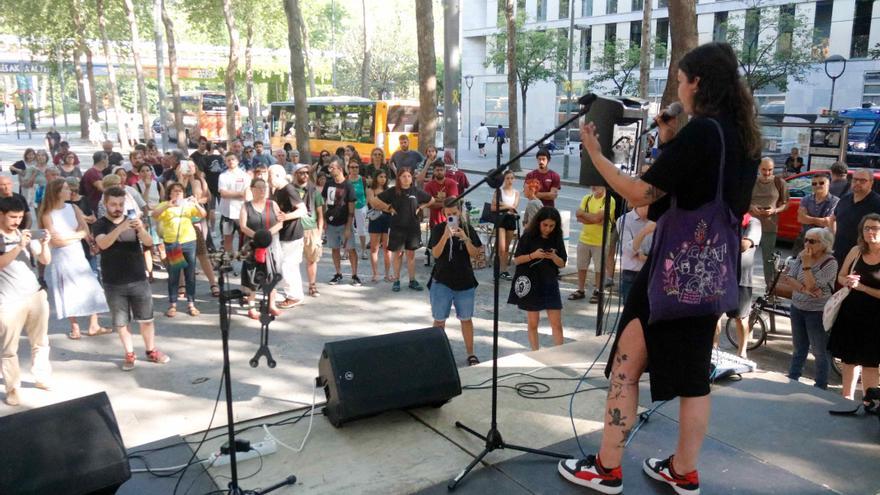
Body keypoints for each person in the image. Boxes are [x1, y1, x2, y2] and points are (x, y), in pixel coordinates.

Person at [559, 42, 761, 495]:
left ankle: (607, 468)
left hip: (668, 275)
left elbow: (641, 196)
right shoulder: (742, 138)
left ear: (698, 83)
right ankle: (683, 470)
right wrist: (670, 141)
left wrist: (595, 154)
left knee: (626, 367)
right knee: (694, 379)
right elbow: (683, 195)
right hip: (708, 276)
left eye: (681, 80)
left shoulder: (704, 132)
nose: (679, 90)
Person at [94, 187, 170, 371]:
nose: (117, 208)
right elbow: (102, 243)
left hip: (138, 278)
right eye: (113, 204)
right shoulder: (100, 224)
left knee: (146, 319)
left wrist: (141, 229)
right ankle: (129, 353)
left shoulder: (134, 221)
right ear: (106, 204)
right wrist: (121, 226)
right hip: (113, 282)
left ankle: (151, 350)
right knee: (121, 322)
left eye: (121, 204)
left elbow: (149, 243)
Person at [38, 179, 111, 339]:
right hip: (61, 256)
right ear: (56, 192)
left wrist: (88, 240)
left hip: (77, 253)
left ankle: (94, 324)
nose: (69, 190)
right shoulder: (47, 214)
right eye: (64, 188)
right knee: (68, 290)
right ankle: (75, 327)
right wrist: (77, 234)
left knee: (92, 287)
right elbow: (55, 241)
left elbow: (84, 228)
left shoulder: (73, 207)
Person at [0, 196, 53, 406]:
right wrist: (17, 247)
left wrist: (44, 244)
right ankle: (12, 388)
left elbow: (44, 260)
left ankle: (42, 376)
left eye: (20, 217)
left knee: (41, 341)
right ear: (1, 215)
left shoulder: (24, 233)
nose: (17, 221)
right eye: (13, 217)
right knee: (9, 349)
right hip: (9, 301)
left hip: (35, 294)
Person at [829, 213, 880, 400]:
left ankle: (870, 402)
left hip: (875, 318)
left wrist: (862, 287)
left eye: (875, 228)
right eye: (866, 228)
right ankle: (846, 400)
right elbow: (840, 276)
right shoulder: (856, 251)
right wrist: (848, 281)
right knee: (849, 360)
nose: (870, 232)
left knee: (870, 363)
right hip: (851, 312)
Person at [779, 227, 837, 389]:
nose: (807, 243)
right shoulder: (803, 255)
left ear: (824, 244)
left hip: (817, 311)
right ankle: (793, 378)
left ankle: (820, 385)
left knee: (819, 351)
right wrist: (804, 289)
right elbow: (789, 277)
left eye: (812, 241)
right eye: (805, 239)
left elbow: (813, 284)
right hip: (797, 306)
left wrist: (806, 266)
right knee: (799, 347)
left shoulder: (830, 262)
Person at [428, 199, 483, 366]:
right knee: (439, 319)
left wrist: (465, 238)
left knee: (466, 318)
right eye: (448, 214)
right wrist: (445, 236)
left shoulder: (468, 229)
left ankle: (470, 353)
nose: (451, 216)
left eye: (454, 213)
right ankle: (437, 353)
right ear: (444, 214)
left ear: (460, 212)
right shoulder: (438, 229)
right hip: (442, 281)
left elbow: (476, 254)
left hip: (465, 281)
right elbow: (436, 254)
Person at [507, 206, 566, 350]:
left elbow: (562, 263)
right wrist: (533, 255)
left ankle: (559, 354)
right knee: (533, 323)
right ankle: (535, 352)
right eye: (545, 225)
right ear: (538, 222)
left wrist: (554, 257)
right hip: (532, 282)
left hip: (550, 282)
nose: (548, 229)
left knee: (556, 324)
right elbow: (517, 260)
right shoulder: (528, 236)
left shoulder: (556, 237)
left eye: (552, 226)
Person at [374, 167, 433, 292]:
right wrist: (388, 208)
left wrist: (420, 208)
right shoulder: (393, 191)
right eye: (403, 176)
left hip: (413, 228)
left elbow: (431, 200)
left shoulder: (416, 191)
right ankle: (397, 280)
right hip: (397, 228)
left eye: (409, 176)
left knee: (411, 254)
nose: (406, 179)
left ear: (412, 178)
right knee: (398, 254)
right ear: (399, 179)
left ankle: (412, 280)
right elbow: (375, 201)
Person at [152, 182, 205, 317]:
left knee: (190, 274)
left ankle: (191, 303)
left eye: (180, 191)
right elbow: (155, 214)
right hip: (173, 243)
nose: (178, 193)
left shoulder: (188, 206)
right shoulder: (166, 206)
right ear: (170, 193)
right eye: (175, 191)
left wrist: (196, 203)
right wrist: (167, 204)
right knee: (174, 274)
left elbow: (203, 214)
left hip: (189, 241)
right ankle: (173, 304)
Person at [240, 177, 284, 319]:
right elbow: (243, 226)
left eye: (264, 187)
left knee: (272, 273)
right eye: (258, 187)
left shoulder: (273, 204)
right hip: (252, 245)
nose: (262, 190)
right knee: (251, 275)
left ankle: (271, 304)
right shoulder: (246, 206)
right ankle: (251, 307)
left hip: (271, 245)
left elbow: (280, 223)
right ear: (252, 190)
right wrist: (258, 237)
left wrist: (266, 235)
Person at [724, 213, 762, 358]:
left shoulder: (754, 222)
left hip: (742, 279)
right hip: (721, 277)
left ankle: (742, 352)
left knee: (741, 318)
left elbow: (744, 245)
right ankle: (713, 350)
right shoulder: (726, 218)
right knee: (714, 316)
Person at [270, 164, 307, 308]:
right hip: (283, 234)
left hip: (292, 234)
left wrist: (286, 217)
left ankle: (295, 296)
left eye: (270, 176)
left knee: (288, 266)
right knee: (287, 266)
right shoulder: (278, 190)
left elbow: (302, 210)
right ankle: (292, 293)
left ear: (279, 175)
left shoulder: (289, 189)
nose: (269, 179)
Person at [571, 186, 616, 304]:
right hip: (584, 238)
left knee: (599, 269)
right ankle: (580, 290)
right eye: (593, 185)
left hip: (601, 240)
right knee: (581, 266)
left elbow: (596, 218)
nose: (595, 187)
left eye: (598, 184)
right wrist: (594, 219)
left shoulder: (609, 200)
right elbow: (579, 218)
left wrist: (585, 215)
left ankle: (598, 291)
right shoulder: (587, 198)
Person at [749, 157, 788, 286]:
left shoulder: (779, 182)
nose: (767, 173)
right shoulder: (751, 181)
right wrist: (751, 207)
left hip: (769, 225)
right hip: (750, 224)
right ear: (759, 168)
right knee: (745, 258)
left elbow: (786, 204)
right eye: (764, 170)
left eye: (770, 170)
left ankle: (770, 290)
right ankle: (740, 289)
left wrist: (775, 210)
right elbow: (742, 199)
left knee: (768, 260)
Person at [322, 157, 361, 286]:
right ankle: (338, 273)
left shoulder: (348, 185)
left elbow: (351, 208)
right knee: (334, 248)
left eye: (332, 167)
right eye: (329, 167)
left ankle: (355, 275)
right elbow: (323, 202)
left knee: (351, 249)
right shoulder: (328, 183)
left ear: (339, 168)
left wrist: (348, 227)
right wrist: (323, 219)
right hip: (331, 222)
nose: (330, 170)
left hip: (344, 222)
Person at [831, 169, 880, 267]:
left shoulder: (877, 203)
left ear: (871, 183)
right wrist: (833, 238)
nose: (857, 183)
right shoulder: (845, 199)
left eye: (862, 180)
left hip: (863, 257)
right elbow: (833, 218)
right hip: (839, 253)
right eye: (855, 179)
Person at [290, 163, 324, 297]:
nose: (305, 175)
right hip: (294, 228)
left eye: (307, 173)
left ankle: (312, 285)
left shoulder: (314, 191)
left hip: (311, 229)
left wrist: (319, 234)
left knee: (312, 259)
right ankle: (295, 288)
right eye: (301, 172)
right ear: (295, 174)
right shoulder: (289, 190)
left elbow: (320, 215)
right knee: (293, 261)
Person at [423, 162, 460, 267]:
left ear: (445, 170)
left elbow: (453, 201)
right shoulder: (429, 185)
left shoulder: (451, 183)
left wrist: (436, 202)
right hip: (435, 221)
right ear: (434, 171)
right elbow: (428, 204)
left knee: (452, 242)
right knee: (438, 243)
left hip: (451, 219)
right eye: (437, 170)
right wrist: (444, 202)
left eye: (441, 169)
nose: (439, 172)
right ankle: (439, 263)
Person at [135, 163, 166, 281]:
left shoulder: (158, 184)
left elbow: (163, 201)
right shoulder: (136, 186)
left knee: (162, 246)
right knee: (148, 247)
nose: (145, 173)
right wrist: (147, 187)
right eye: (142, 171)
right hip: (146, 217)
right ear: (139, 173)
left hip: (157, 217)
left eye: (148, 170)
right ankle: (150, 273)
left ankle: (169, 269)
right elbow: (141, 202)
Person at [615, 205, 652, 304]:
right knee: (631, 313)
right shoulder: (624, 220)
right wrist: (644, 231)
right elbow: (628, 251)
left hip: (653, 273)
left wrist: (643, 256)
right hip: (632, 274)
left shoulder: (658, 220)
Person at [795, 172, 838, 253]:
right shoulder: (805, 199)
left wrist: (807, 218)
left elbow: (829, 222)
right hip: (805, 239)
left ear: (829, 184)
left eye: (821, 183)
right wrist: (821, 220)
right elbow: (800, 219)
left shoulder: (835, 201)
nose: (817, 185)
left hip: (823, 242)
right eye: (814, 183)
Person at [218, 152, 250, 253]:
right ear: (225, 162)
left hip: (241, 213)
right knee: (227, 239)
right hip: (227, 214)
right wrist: (240, 194)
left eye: (233, 159)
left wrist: (231, 193)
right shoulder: (223, 176)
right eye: (228, 160)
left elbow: (247, 194)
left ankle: (245, 264)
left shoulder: (245, 176)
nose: (231, 161)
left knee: (245, 239)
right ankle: (228, 263)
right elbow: (223, 193)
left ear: (237, 161)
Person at [492, 171, 520, 280]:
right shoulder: (499, 191)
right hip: (501, 219)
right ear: (504, 179)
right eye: (507, 178)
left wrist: (503, 205)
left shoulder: (516, 193)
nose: (509, 181)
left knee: (507, 247)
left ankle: (504, 270)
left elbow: (514, 207)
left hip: (510, 219)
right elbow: (493, 207)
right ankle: (498, 269)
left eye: (511, 178)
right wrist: (508, 206)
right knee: (501, 247)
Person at [367, 170, 393, 283]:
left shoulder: (389, 190)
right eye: (380, 176)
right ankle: (375, 273)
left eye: (384, 176)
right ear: (375, 177)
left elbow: (392, 206)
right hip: (375, 219)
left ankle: (387, 274)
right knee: (374, 248)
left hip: (388, 220)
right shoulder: (370, 190)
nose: (383, 179)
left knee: (387, 248)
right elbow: (372, 203)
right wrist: (386, 207)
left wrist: (381, 206)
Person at [347, 162, 370, 260]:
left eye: (356, 167)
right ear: (349, 168)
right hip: (348, 207)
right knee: (349, 229)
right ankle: (346, 251)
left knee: (361, 229)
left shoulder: (363, 180)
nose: (354, 169)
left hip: (360, 207)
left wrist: (365, 204)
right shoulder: (346, 180)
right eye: (352, 167)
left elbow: (367, 193)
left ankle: (363, 250)